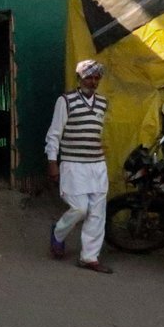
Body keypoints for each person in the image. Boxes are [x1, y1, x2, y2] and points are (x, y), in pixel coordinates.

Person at [45, 59, 112, 274]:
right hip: (73, 165)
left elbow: (98, 131)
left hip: (97, 166)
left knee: (97, 213)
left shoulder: (103, 103)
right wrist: (52, 163)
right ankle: (58, 232)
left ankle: (89, 258)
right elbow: (54, 134)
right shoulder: (65, 101)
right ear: (79, 78)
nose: (92, 82)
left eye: (96, 78)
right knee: (80, 208)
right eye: (88, 77)